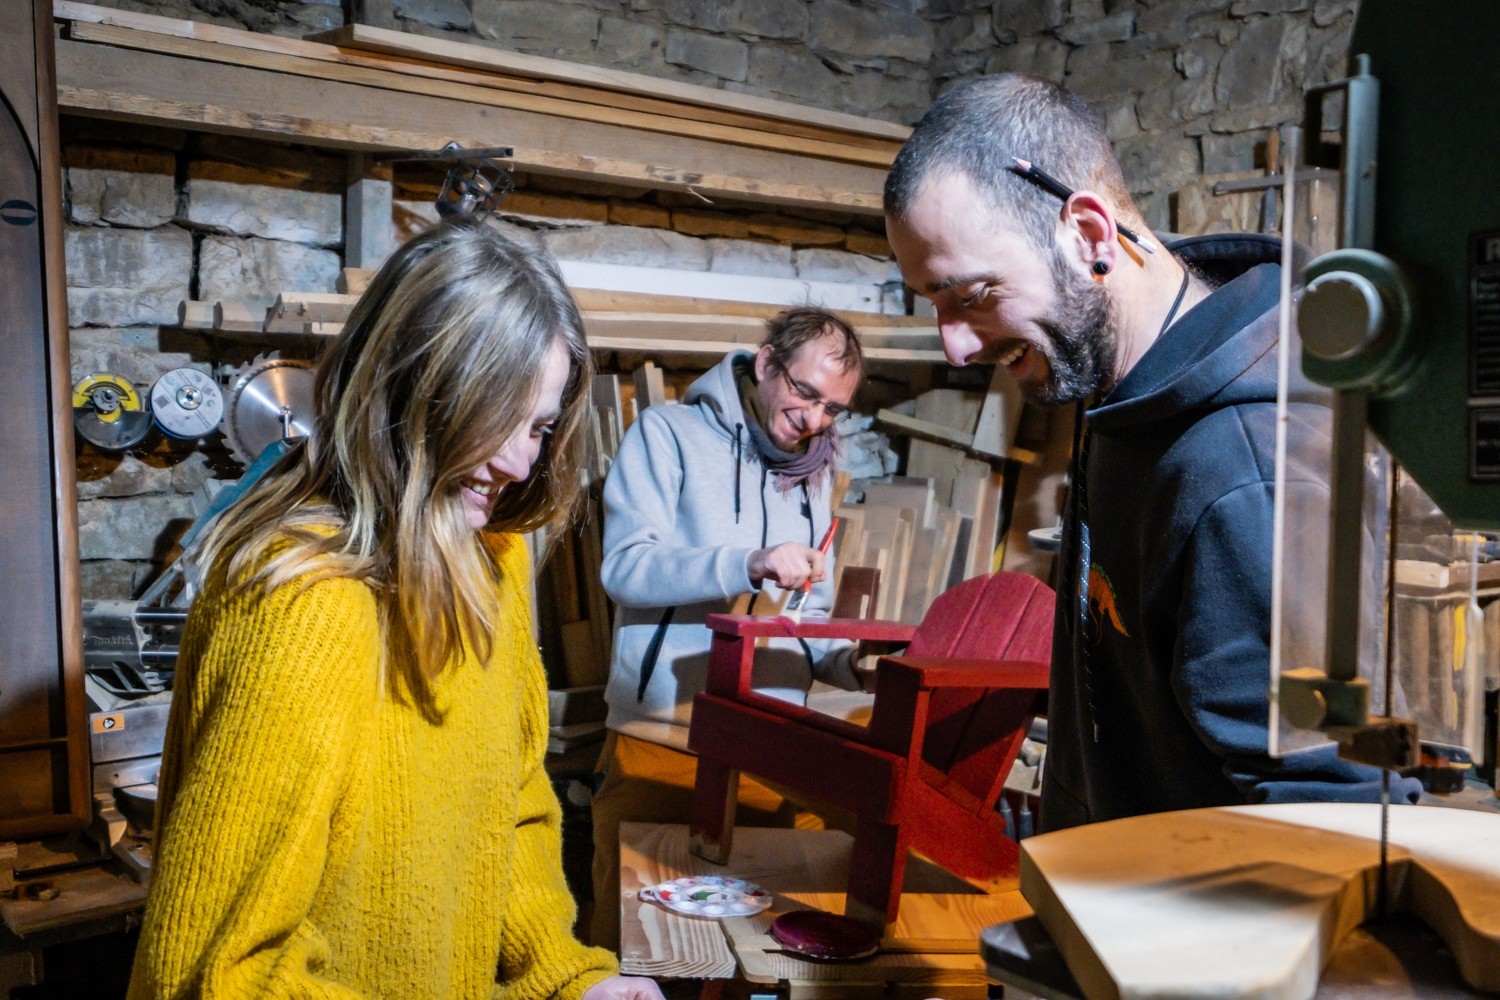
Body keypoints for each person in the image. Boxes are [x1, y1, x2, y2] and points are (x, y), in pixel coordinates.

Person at [127, 220, 664, 1000]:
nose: (520, 463)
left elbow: (508, 813)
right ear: (411, 390)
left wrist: (563, 978)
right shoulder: (305, 604)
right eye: (498, 415)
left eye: (540, 427)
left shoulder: (491, 559)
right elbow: (216, 972)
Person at [882, 74, 1421, 833]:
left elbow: (1330, 811)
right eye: (933, 304)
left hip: (1187, 939)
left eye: (970, 296)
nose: (956, 345)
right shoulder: (1122, 389)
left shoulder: (1249, 467)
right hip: (1105, 910)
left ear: (1091, 236)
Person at [588, 307, 865, 949]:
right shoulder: (668, 433)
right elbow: (626, 569)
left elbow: (807, 617)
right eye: (805, 393)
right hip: (662, 737)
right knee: (631, 944)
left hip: (769, 751)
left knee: (756, 948)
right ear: (767, 364)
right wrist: (747, 563)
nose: (815, 421)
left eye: (832, 409)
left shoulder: (809, 475)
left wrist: (851, 663)